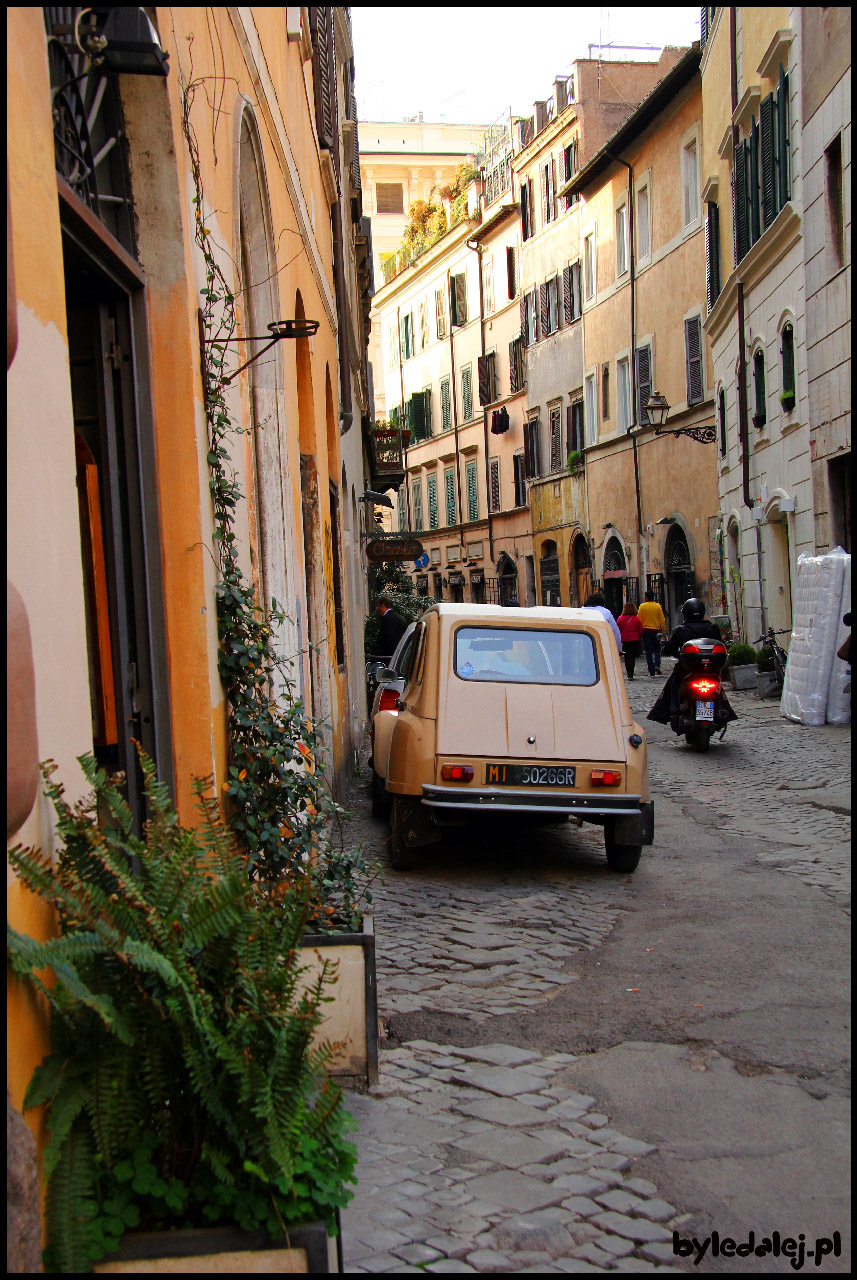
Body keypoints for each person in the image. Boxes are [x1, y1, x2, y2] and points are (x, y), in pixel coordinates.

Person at [648, 597, 737, 725]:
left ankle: (672, 707)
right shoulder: (712, 628)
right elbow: (720, 645)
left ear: (685, 613)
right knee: (718, 686)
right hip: (710, 669)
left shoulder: (681, 630)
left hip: (686, 669)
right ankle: (722, 709)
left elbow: (671, 648)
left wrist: (666, 650)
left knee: (673, 683)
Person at [638, 590, 667, 676]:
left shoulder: (642, 606)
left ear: (646, 597)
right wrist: (664, 630)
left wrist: (639, 631)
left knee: (648, 651)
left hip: (646, 631)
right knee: (657, 649)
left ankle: (651, 671)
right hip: (656, 631)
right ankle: (657, 664)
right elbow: (662, 619)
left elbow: (639, 619)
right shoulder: (657, 606)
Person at [374, 595, 408, 662]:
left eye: (378, 607)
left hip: (389, 657)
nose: (378, 609)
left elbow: (387, 639)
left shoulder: (386, 619)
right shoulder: (401, 618)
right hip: (401, 655)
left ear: (382, 606)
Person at [617, 601, 643, 680]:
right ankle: (631, 673)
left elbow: (618, 629)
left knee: (626, 656)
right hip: (634, 640)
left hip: (624, 640)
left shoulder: (620, 618)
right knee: (632, 657)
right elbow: (640, 630)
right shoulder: (636, 619)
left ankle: (628, 671)